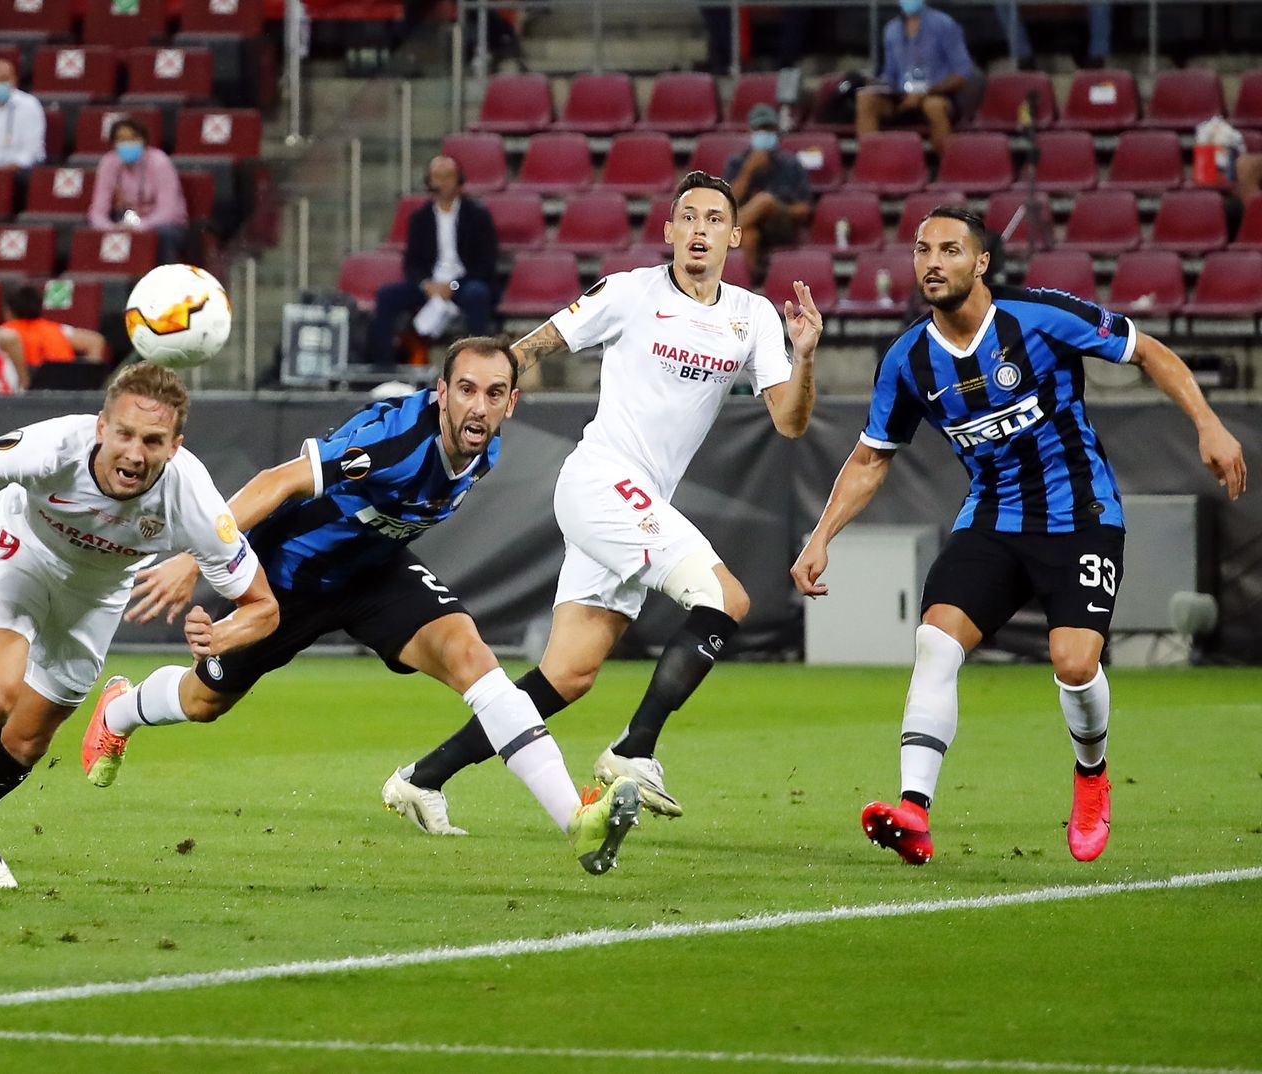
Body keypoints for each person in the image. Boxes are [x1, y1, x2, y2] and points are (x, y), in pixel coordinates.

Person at [79, 338, 645, 876]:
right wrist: (195, 556)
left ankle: (579, 820)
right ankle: (119, 712)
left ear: (511, 403)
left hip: (375, 571)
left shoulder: (485, 446)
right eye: (466, 390)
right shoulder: (393, 439)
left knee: (473, 657)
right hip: (290, 579)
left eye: (494, 394)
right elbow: (279, 481)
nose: (479, 406)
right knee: (203, 702)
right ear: (441, 393)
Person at [790, 206, 1248, 866]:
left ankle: (1091, 778)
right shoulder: (908, 359)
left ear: (980, 263)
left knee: (1074, 664)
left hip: (1081, 517)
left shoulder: (1038, 318)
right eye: (922, 250)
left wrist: (1207, 424)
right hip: (993, 521)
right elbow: (870, 457)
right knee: (935, 643)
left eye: (950, 249)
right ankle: (914, 810)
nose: (932, 262)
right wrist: (820, 535)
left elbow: (1145, 349)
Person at [382, 171, 824, 833]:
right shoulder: (628, 293)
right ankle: (634, 750)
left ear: (735, 236)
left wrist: (806, 356)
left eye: (713, 219)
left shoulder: (753, 317)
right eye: (688, 217)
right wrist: (473, 402)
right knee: (727, 600)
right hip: (600, 481)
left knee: (567, 675)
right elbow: (532, 348)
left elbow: (790, 422)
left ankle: (421, 779)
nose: (699, 229)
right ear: (669, 231)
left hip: (637, 501)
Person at [0, 363, 281, 897]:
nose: (136, 454)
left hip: (97, 593)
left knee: (27, 738)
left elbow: (264, 608)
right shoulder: (48, 448)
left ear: (175, 445)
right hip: (21, 552)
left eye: (154, 440)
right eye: (126, 434)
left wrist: (224, 636)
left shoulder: (195, 501)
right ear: (100, 428)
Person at [367, 155, 498, 367]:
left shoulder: (478, 216)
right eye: (437, 177)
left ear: (459, 181)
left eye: (447, 177)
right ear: (429, 182)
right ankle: (382, 370)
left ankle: (479, 364)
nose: (442, 183)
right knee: (386, 296)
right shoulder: (420, 218)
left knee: (477, 294)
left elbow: (485, 264)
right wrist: (426, 284)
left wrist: (453, 286)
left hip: (463, 284)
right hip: (430, 284)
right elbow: (411, 263)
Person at [856, 0, 975, 156]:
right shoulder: (891, 29)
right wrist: (877, 85)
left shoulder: (944, 24)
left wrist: (925, 91)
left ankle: (947, 168)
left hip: (937, 94)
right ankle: (871, 165)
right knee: (865, 99)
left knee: (935, 106)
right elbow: (890, 74)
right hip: (902, 97)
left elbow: (963, 72)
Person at [725, 103, 813, 274]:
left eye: (769, 129)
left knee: (765, 201)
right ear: (751, 131)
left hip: (781, 225)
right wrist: (748, 170)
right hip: (747, 225)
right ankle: (748, 290)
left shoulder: (790, 163)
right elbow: (728, 203)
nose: (765, 134)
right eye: (760, 129)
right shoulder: (737, 162)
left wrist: (775, 208)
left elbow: (805, 209)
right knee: (749, 237)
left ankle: (718, 235)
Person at [87, 117, 188, 264]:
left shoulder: (160, 162)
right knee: (92, 234)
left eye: (133, 138)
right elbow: (97, 210)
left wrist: (140, 227)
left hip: (164, 224)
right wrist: (109, 228)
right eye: (121, 139)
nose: (127, 143)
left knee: (163, 236)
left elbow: (168, 211)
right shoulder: (109, 162)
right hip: (124, 220)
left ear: (144, 140)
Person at [0, 284, 108, 392]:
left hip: (24, 397)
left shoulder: (6, 331)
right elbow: (96, 341)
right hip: (65, 390)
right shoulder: (57, 329)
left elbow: (9, 338)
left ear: (7, 310)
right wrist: (87, 380)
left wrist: (25, 382)